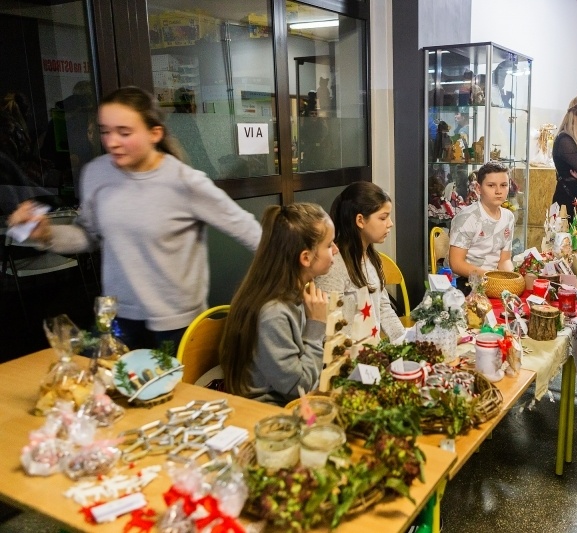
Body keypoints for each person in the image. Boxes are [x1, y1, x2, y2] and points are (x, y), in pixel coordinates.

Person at [7, 86, 261, 350]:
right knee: (110, 388)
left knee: (172, 391)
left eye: (124, 132)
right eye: (105, 131)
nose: (112, 142)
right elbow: (88, 234)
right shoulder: (96, 174)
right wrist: (46, 234)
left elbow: (249, 230)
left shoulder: (185, 182)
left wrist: (291, 280)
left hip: (176, 324)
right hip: (118, 317)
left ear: (155, 133)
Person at [220, 204, 335, 406]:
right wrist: (316, 325)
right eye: (329, 245)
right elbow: (298, 387)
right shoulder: (273, 313)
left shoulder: (298, 292)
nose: (336, 249)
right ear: (306, 258)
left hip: (300, 401)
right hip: (272, 412)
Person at [315, 182, 405, 342]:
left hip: (371, 357)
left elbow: (383, 308)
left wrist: (404, 341)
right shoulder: (333, 266)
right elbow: (329, 330)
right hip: (348, 361)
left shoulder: (373, 257)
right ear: (360, 220)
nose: (390, 223)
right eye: (383, 218)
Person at [448, 161, 515, 293]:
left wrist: (511, 279)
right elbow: (456, 264)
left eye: (503, 185)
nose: (498, 191)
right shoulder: (467, 218)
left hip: (495, 280)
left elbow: (505, 260)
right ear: (478, 189)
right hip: (468, 282)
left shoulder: (508, 217)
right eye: (491, 185)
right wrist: (490, 278)